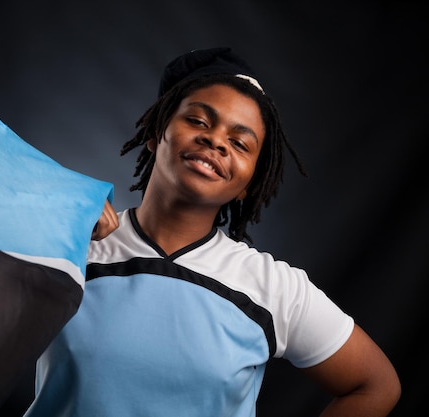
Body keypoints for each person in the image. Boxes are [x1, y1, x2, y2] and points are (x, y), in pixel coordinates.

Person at [23, 47, 401, 417]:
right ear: (157, 132)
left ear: (249, 183)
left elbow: (375, 385)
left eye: (240, 143)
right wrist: (50, 219)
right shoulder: (70, 242)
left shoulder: (272, 287)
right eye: (199, 121)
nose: (216, 140)